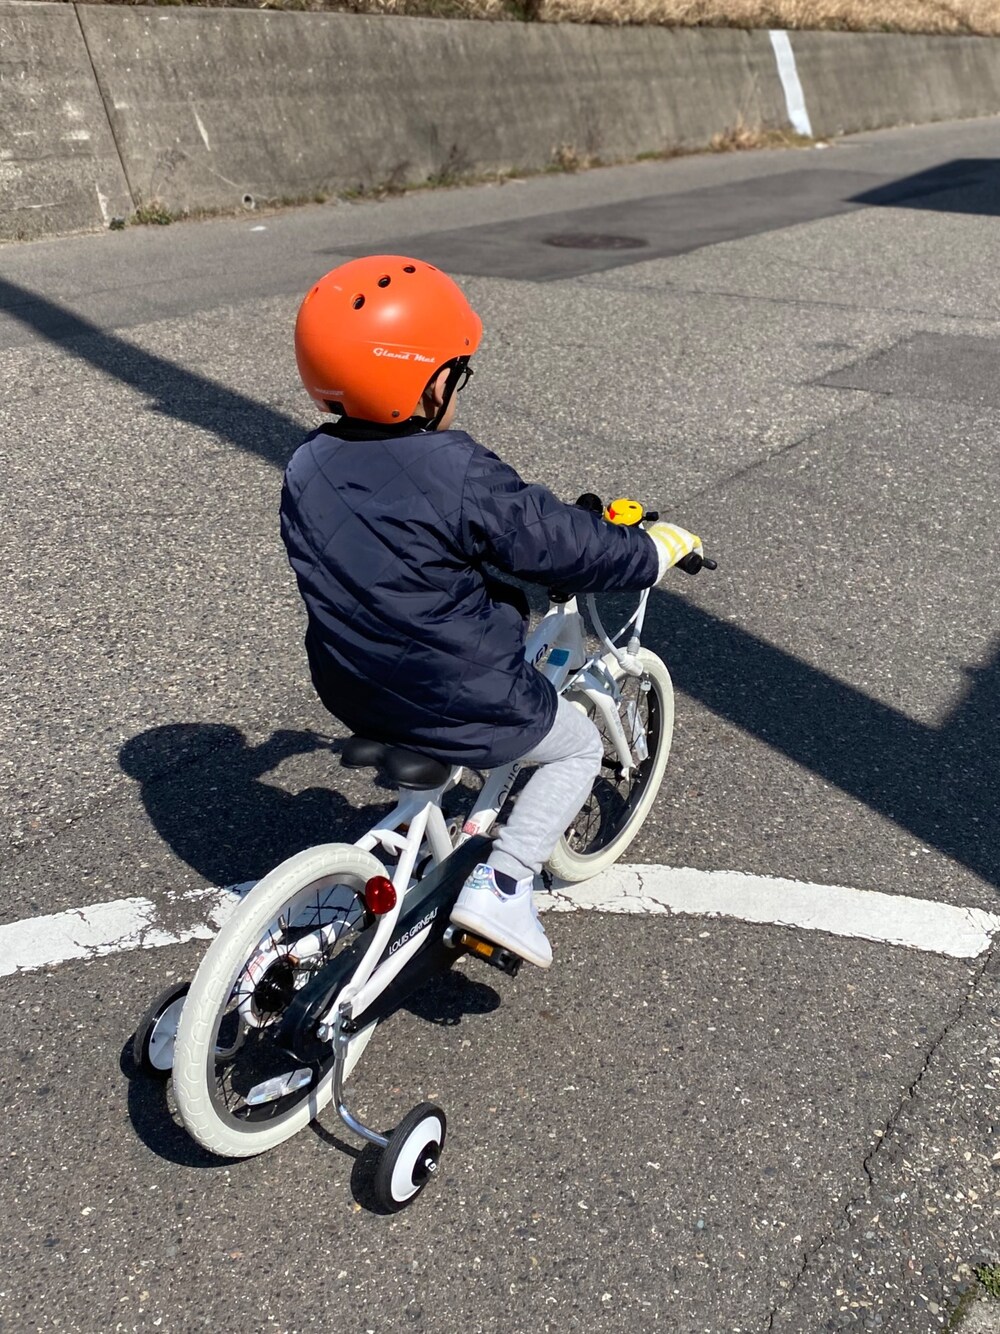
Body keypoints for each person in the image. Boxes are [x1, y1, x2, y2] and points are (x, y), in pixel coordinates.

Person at [280, 255, 703, 970]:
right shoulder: (454, 471)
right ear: (426, 382)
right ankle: (505, 885)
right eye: (457, 372)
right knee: (576, 747)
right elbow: (555, 541)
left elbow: (392, 547)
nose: (458, 386)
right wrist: (649, 551)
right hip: (449, 692)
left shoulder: (306, 466)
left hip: (349, 680)